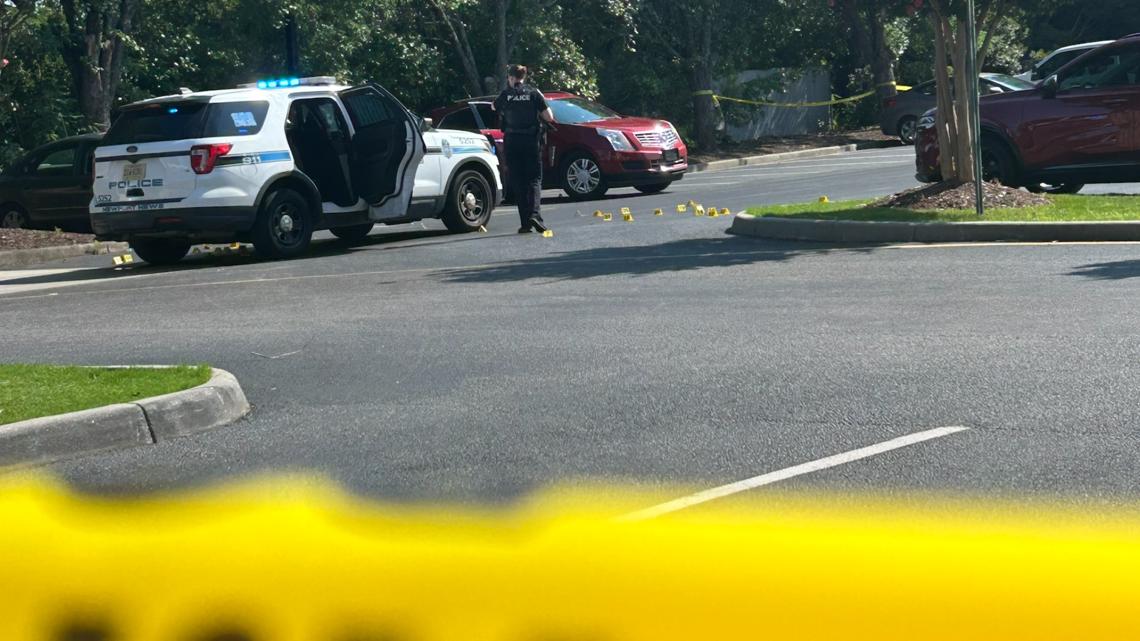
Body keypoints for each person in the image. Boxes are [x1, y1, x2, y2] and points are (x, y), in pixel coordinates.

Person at [492, 64, 555, 234]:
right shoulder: (534, 93)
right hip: (530, 140)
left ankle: (525, 224)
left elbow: (493, 106)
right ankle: (535, 214)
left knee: (518, 182)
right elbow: (549, 117)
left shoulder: (506, 95)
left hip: (512, 141)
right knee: (534, 179)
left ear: (510, 78)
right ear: (524, 77)